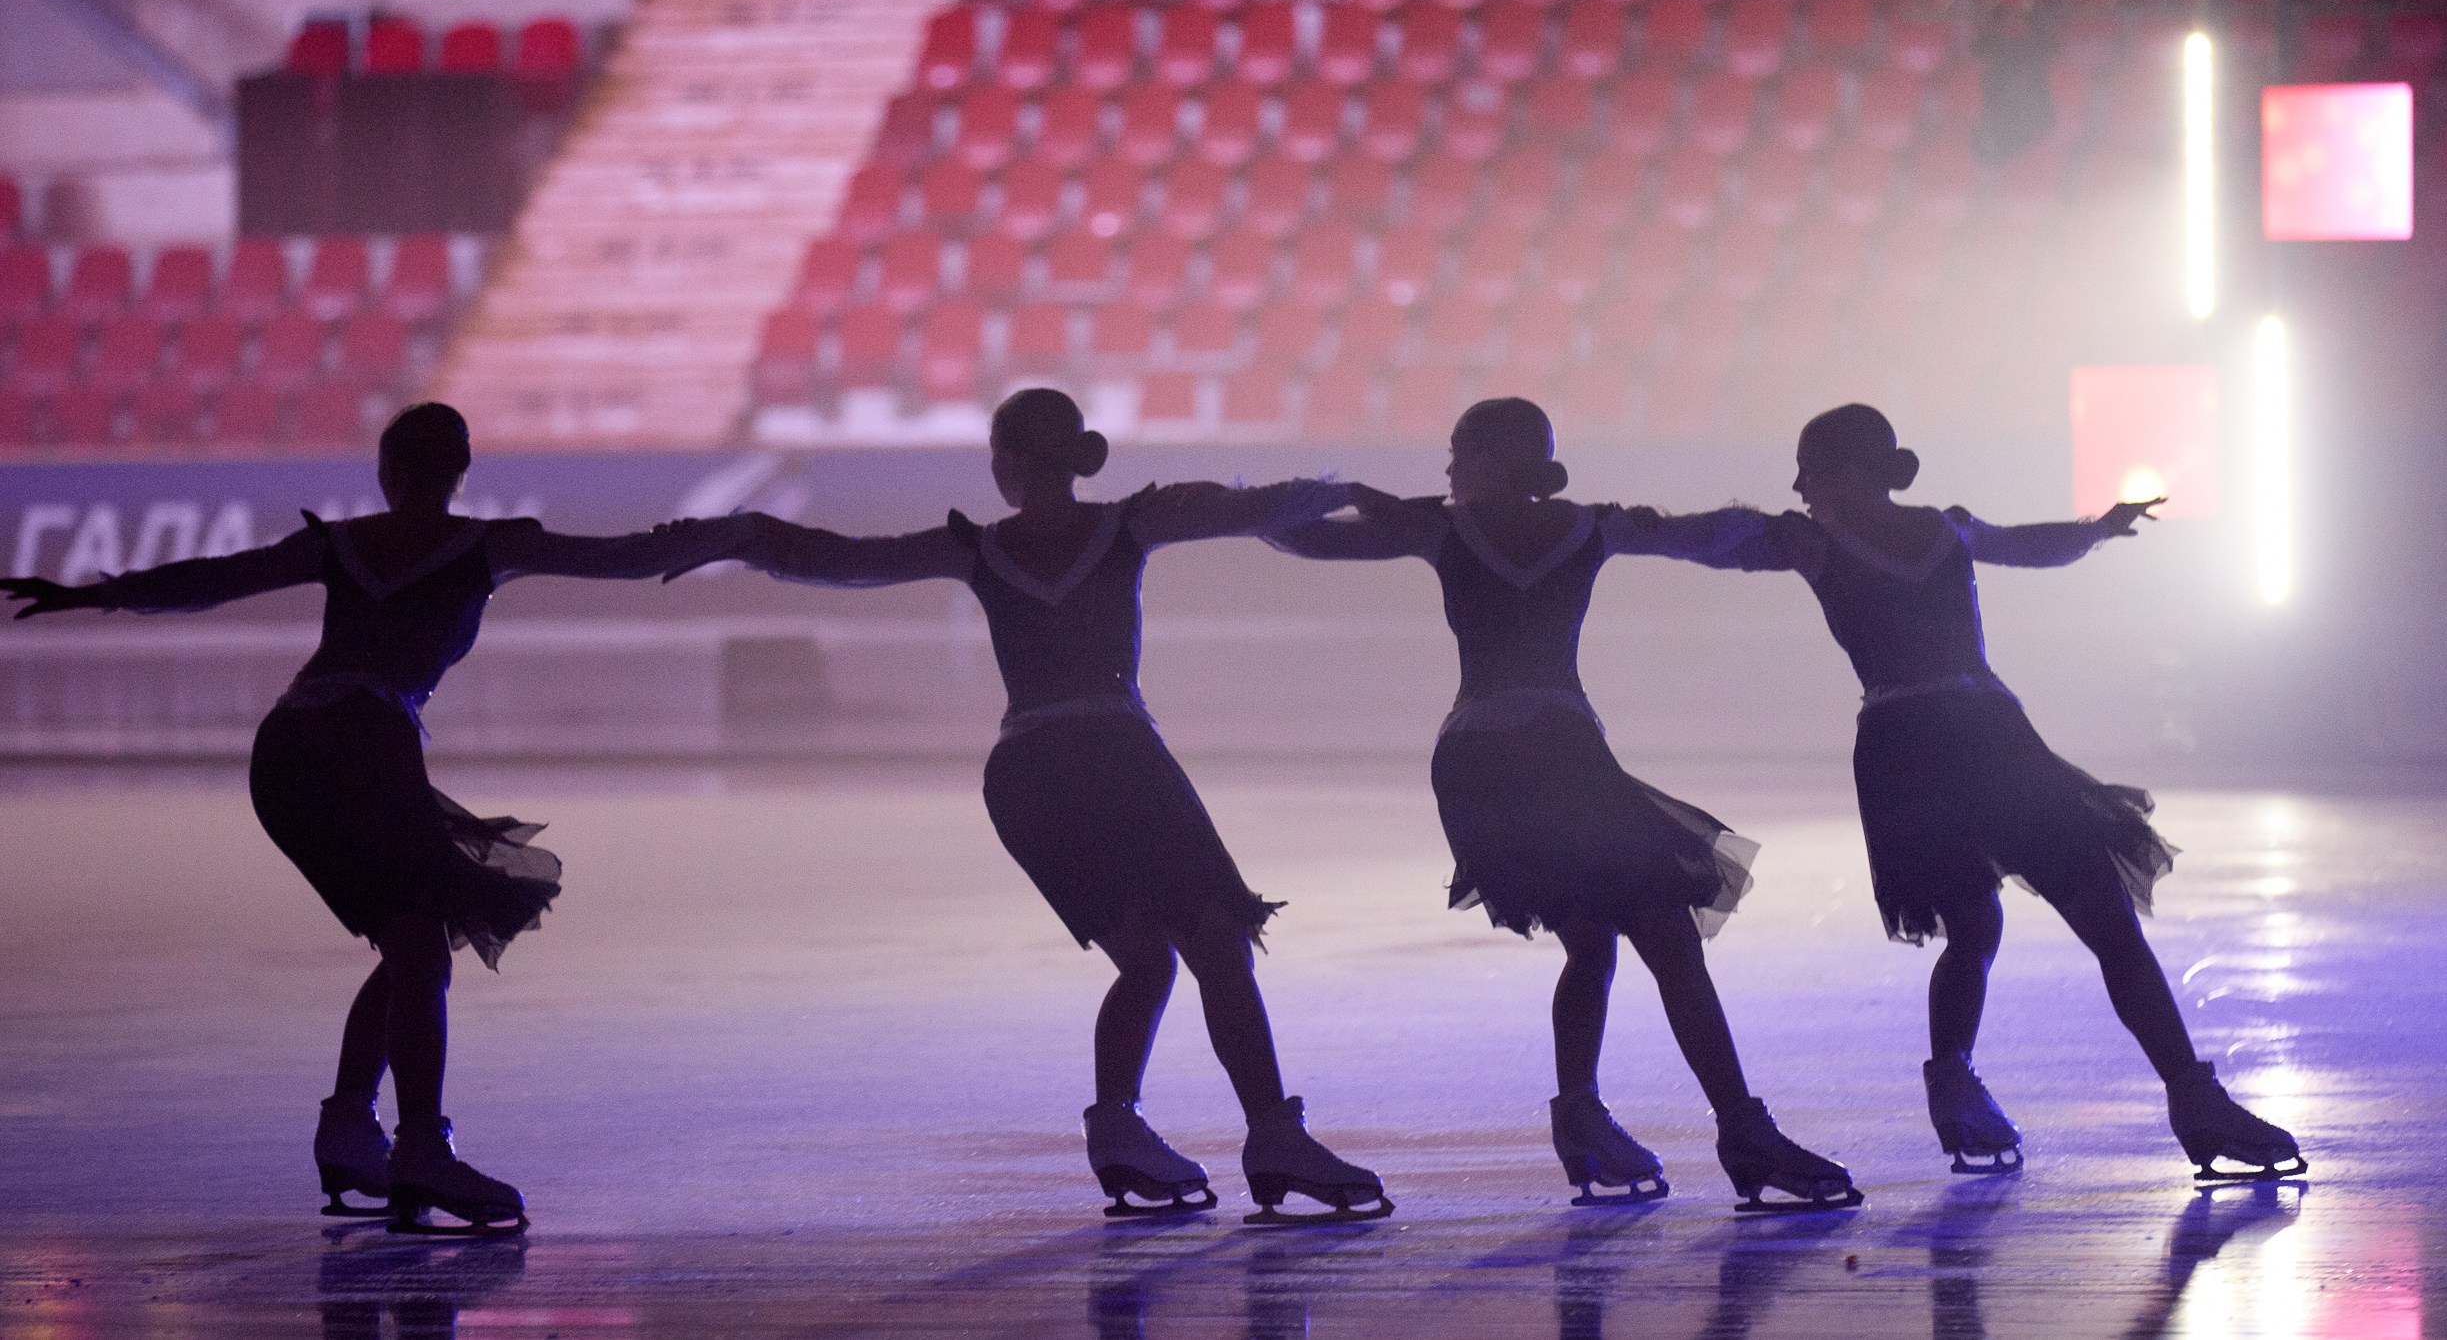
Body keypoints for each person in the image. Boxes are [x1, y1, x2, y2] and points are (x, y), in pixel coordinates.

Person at [1, 403, 746, 1232]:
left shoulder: (341, 542)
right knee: (421, 944)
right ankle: (418, 1144)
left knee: (409, 941)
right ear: (461, 472)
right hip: (362, 748)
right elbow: (626, 558)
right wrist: (730, 535)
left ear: (386, 473)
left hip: (291, 752)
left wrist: (96, 595)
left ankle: (353, 1125)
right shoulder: (492, 544)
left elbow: (217, 577)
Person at [713, 388, 1391, 1223]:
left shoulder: (982, 548)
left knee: (1146, 960)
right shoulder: (1128, 523)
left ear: (1010, 460)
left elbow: (844, 559)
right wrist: (1347, 487)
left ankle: (1118, 1131)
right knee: (1216, 945)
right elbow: (1250, 506)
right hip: (1114, 756)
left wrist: (743, 540)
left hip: (1029, 776)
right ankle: (1271, 1136)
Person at [1268, 398, 1859, 1211]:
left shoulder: (1441, 530)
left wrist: (1301, 496)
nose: (1446, 471)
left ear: (1483, 458)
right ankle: (1739, 1127)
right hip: (1557, 751)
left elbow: (1304, 539)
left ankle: (1583, 1115)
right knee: (1665, 934)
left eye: (1455, 452)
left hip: (1479, 759)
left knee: (1591, 938)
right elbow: (1700, 537)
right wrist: (1794, 538)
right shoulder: (1587, 526)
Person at [1693, 402, 2304, 1182]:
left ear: (1847, 474)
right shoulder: (1929, 530)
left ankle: (1958, 1080)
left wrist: (1615, 530)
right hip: (1979, 733)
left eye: (1808, 470)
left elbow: (1709, 539)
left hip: (1909, 747)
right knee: (2093, 918)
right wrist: (2097, 529)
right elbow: (2029, 546)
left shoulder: (1825, 539)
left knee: (1979, 920)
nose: (1799, 486)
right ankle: (2187, 1095)